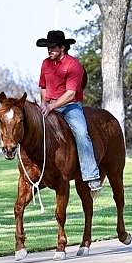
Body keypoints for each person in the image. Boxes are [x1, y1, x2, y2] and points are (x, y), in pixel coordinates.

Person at [36, 30, 102, 194]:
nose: (49, 50)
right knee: (33, 130)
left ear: (63, 48)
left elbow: (71, 93)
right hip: (49, 105)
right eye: (48, 47)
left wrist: (52, 107)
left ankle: (91, 175)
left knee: (81, 133)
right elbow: (43, 87)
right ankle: (36, 173)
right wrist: (44, 104)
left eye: (52, 47)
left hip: (70, 106)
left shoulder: (74, 65)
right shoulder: (45, 63)